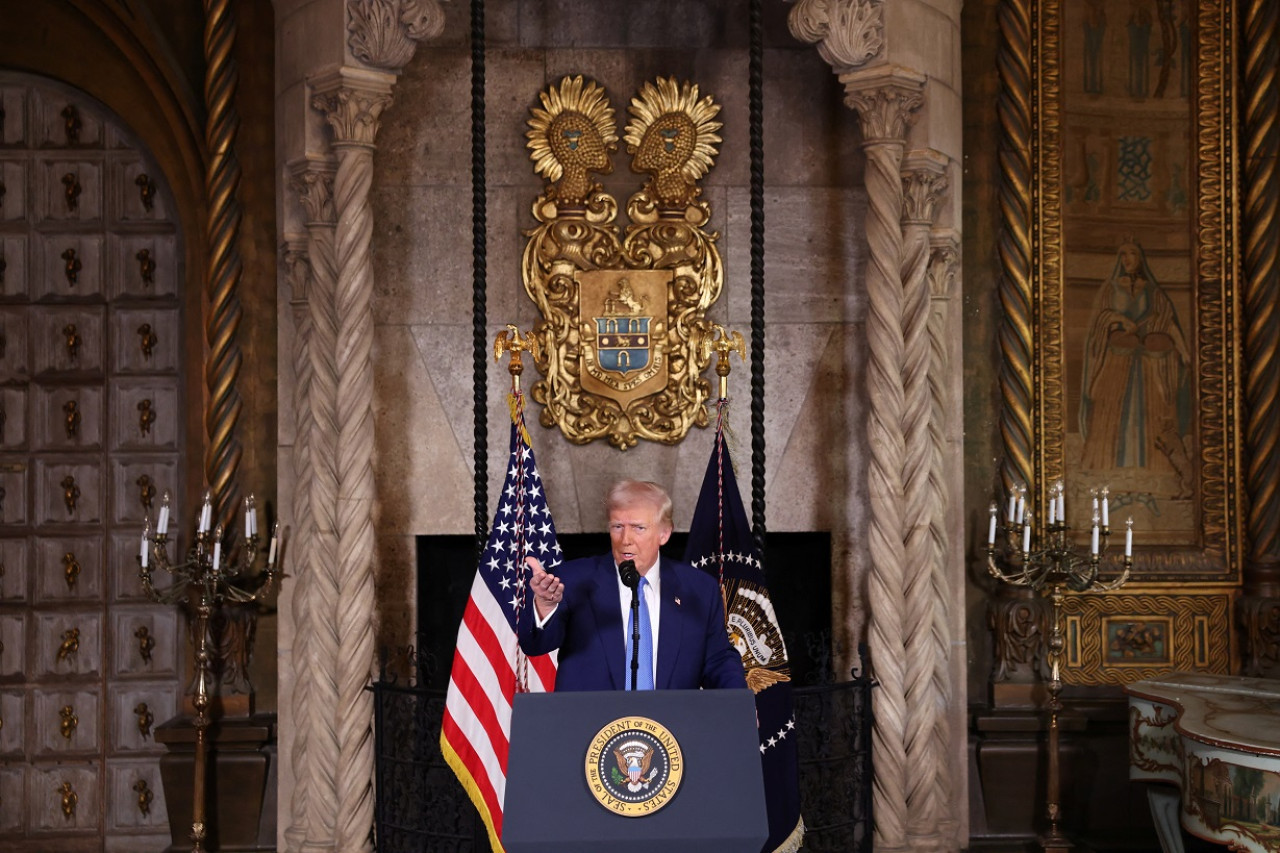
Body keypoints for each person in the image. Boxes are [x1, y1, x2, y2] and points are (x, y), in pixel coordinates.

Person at [518, 479, 746, 692]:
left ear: (664, 534)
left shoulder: (698, 589)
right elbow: (535, 646)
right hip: (589, 728)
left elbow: (717, 659)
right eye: (617, 526)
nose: (625, 539)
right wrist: (545, 606)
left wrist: (738, 702)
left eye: (638, 528)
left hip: (671, 728)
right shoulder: (573, 580)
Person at [1079, 238, 1193, 492]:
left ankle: (1156, 466)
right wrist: (1118, 318)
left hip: (1148, 365)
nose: (1127, 259)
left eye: (1132, 254)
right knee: (1113, 409)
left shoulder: (1153, 292)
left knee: (1152, 410)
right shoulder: (1111, 289)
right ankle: (1106, 464)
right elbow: (1100, 321)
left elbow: (1168, 322)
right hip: (1117, 362)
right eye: (1123, 255)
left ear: (1141, 259)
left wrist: (1184, 351)